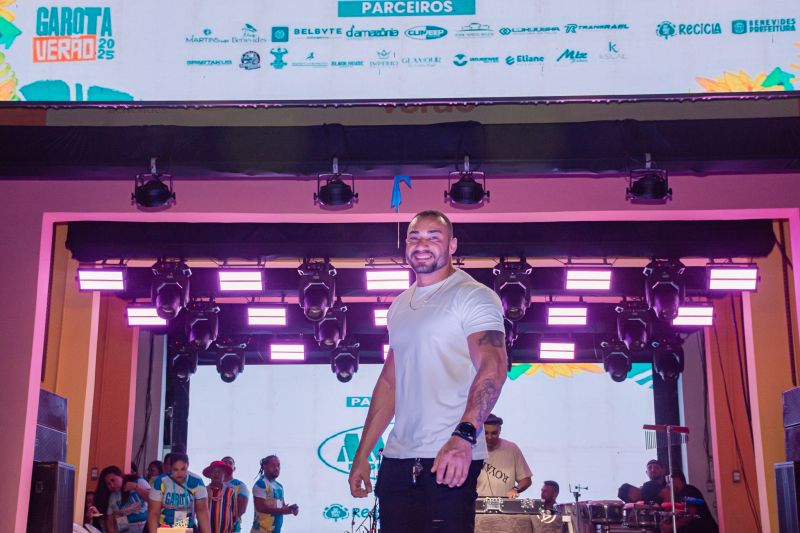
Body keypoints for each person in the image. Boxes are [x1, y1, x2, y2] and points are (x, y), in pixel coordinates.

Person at [348, 210, 508, 533]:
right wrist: (362, 453)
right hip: (397, 458)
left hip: (449, 455)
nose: (422, 244)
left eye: (434, 237)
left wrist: (464, 436)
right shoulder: (399, 305)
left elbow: (494, 366)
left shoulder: (472, 295)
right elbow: (390, 383)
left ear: (452, 245)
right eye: (415, 237)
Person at [147, 452, 211, 533]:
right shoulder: (161, 481)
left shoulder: (196, 481)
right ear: (170, 468)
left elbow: (202, 511)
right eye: (175, 469)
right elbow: (153, 512)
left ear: (188, 466)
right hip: (165, 527)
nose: (179, 473)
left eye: (183, 469)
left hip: (187, 527)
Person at [477, 413, 532, 498]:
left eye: (494, 433)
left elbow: (526, 480)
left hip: (505, 504)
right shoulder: (472, 450)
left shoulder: (512, 448)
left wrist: (516, 489)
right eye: (486, 433)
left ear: (500, 430)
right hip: (476, 504)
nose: (490, 437)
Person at [94, 465, 150, 533]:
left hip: (144, 525)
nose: (112, 485)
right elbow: (110, 522)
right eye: (108, 484)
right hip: (125, 527)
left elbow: (153, 500)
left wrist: (136, 487)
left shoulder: (139, 482)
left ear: (120, 476)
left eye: (113, 480)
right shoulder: (112, 496)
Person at [252, 455, 299, 533]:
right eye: (272, 465)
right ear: (264, 466)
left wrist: (291, 510)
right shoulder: (261, 484)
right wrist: (282, 510)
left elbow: (281, 508)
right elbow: (260, 508)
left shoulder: (279, 486)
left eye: (278, 465)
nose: (276, 468)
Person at [203, 460, 237, 533]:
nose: (216, 474)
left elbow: (234, 515)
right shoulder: (203, 491)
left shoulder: (231, 492)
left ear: (224, 474)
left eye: (219, 472)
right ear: (210, 475)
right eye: (214, 472)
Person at [221, 456, 249, 532]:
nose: (227, 464)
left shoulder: (240, 485)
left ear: (234, 468)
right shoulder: (213, 485)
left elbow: (242, 509)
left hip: (232, 527)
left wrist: (229, 522)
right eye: (224, 463)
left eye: (230, 463)